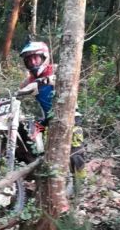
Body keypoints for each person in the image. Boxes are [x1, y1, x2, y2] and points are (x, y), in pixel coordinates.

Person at [18, 40, 86, 194]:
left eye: (35, 58)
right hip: (47, 120)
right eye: (28, 60)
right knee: (30, 139)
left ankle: (79, 187)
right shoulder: (29, 80)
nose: (32, 62)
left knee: (75, 153)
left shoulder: (56, 70)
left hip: (70, 116)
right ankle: (36, 178)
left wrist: (52, 79)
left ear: (44, 57)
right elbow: (18, 92)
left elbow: (72, 76)